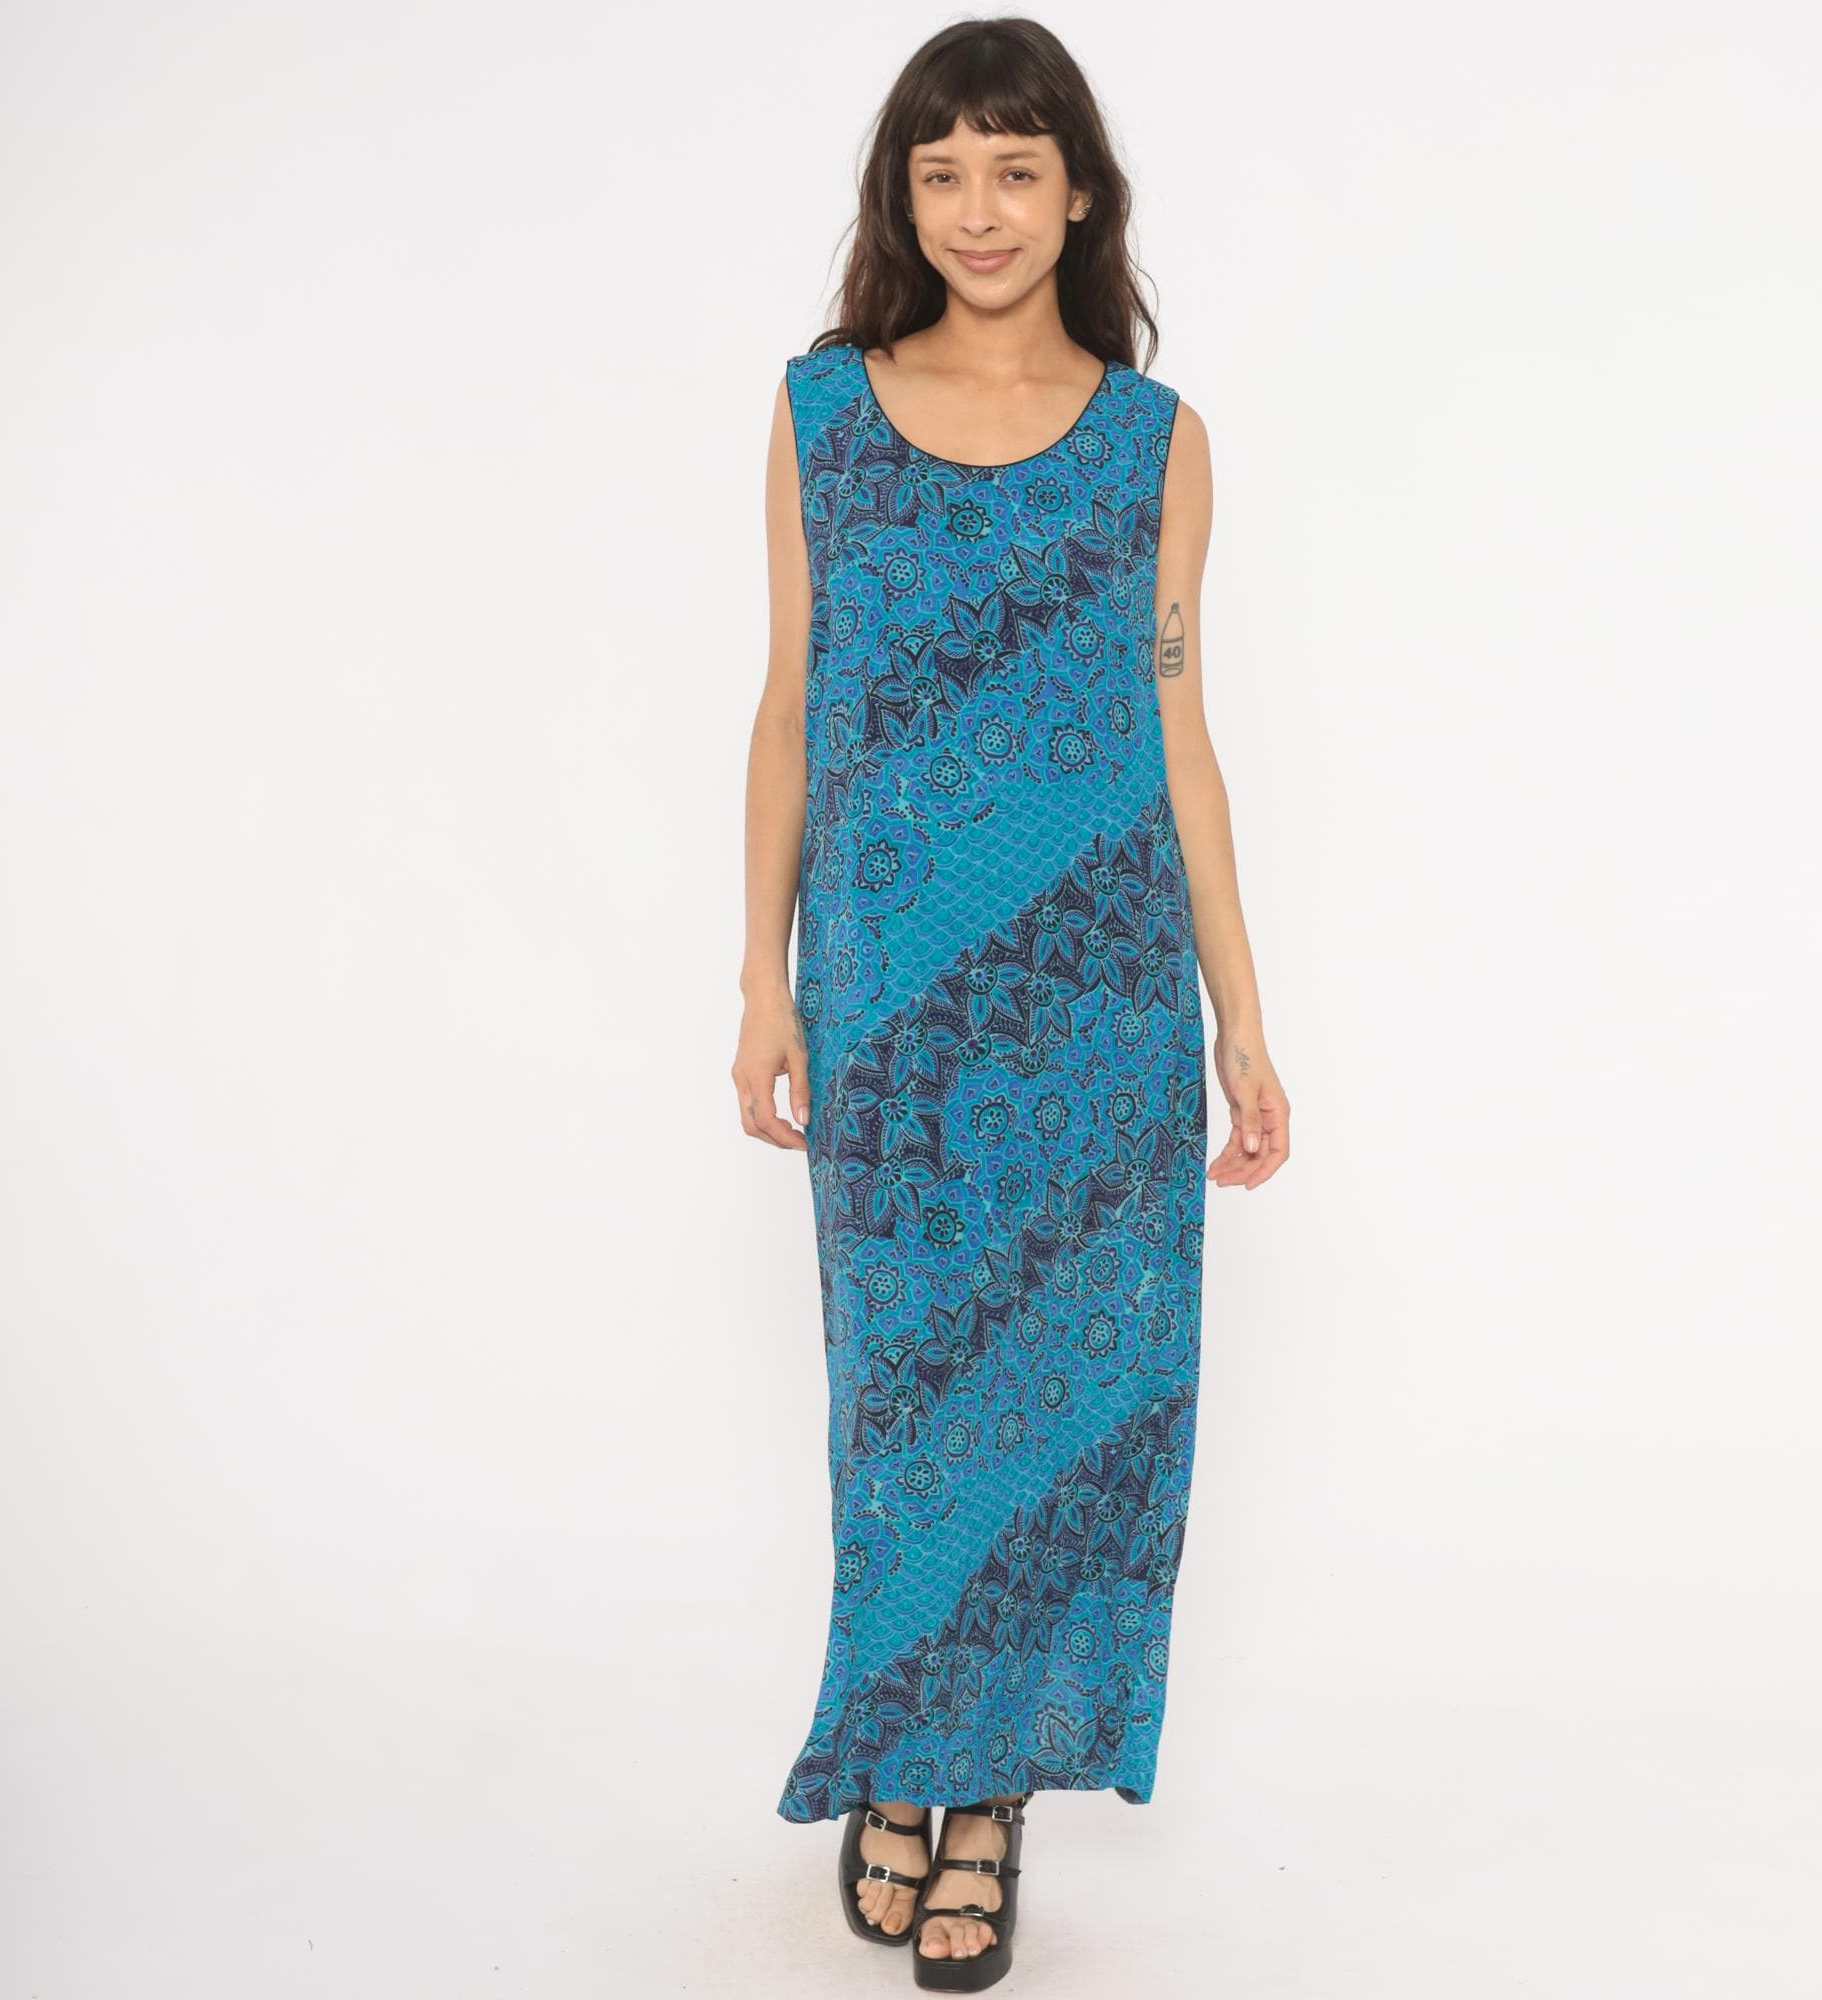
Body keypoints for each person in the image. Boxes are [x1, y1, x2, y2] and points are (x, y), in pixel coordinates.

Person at [734, 16, 1288, 1987]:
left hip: (1100, 1005)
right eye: (942, 171)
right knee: (910, 1407)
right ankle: (900, 1753)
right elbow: (790, 705)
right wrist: (762, 978)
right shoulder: (823, 412)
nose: (979, 209)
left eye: (1016, 169)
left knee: (1071, 1408)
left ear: (1077, 196)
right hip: (890, 1007)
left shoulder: (1155, 441)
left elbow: (1177, 726)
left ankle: (984, 1802)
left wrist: (1240, 1016)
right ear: (904, 199)